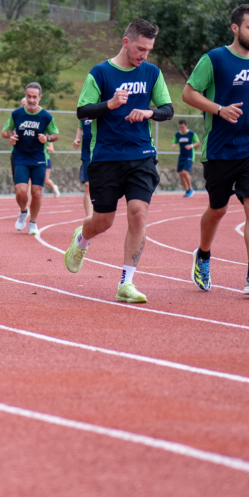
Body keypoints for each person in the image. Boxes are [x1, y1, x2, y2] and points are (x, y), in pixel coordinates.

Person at [63, 19, 174, 303]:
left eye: (149, 50)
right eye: (140, 49)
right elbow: (82, 110)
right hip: (107, 158)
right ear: (126, 43)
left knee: (138, 212)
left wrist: (149, 113)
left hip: (141, 155)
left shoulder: (151, 73)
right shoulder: (100, 73)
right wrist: (109, 105)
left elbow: (168, 109)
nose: (144, 55)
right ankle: (82, 238)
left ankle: (127, 282)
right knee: (103, 222)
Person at [181, 4, 249, 295]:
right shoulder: (214, 59)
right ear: (235, 28)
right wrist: (219, 109)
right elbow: (188, 93)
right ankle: (203, 254)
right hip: (220, 149)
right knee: (218, 209)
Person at [3, 83, 59, 235]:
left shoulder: (46, 117)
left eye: (35, 97)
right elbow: (7, 130)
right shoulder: (16, 114)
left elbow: (56, 135)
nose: (32, 100)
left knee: (37, 192)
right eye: (29, 96)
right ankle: (23, 212)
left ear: (40, 97)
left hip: (38, 158)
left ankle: (33, 222)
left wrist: (46, 137)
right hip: (21, 156)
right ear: (25, 96)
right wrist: (11, 136)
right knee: (21, 192)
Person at [171, 119, 201, 198]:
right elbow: (174, 141)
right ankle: (187, 190)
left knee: (184, 172)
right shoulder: (177, 134)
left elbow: (198, 142)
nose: (181, 129)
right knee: (181, 174)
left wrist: (191, 146)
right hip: (182, 156)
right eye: (180, 127)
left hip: (190, 155)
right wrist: (173, 144)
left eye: (183, 127)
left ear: (186, 126)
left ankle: (191, 189)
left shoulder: (191, 134)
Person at [72, 118, 94, 218]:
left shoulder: (103, 110)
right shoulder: (85, 113)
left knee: (101, 186)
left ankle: (100, 215)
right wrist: (77, 138)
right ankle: (89, 217)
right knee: (87, 185)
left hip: (102, 153)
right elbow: (80, 128)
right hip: (87, 154)